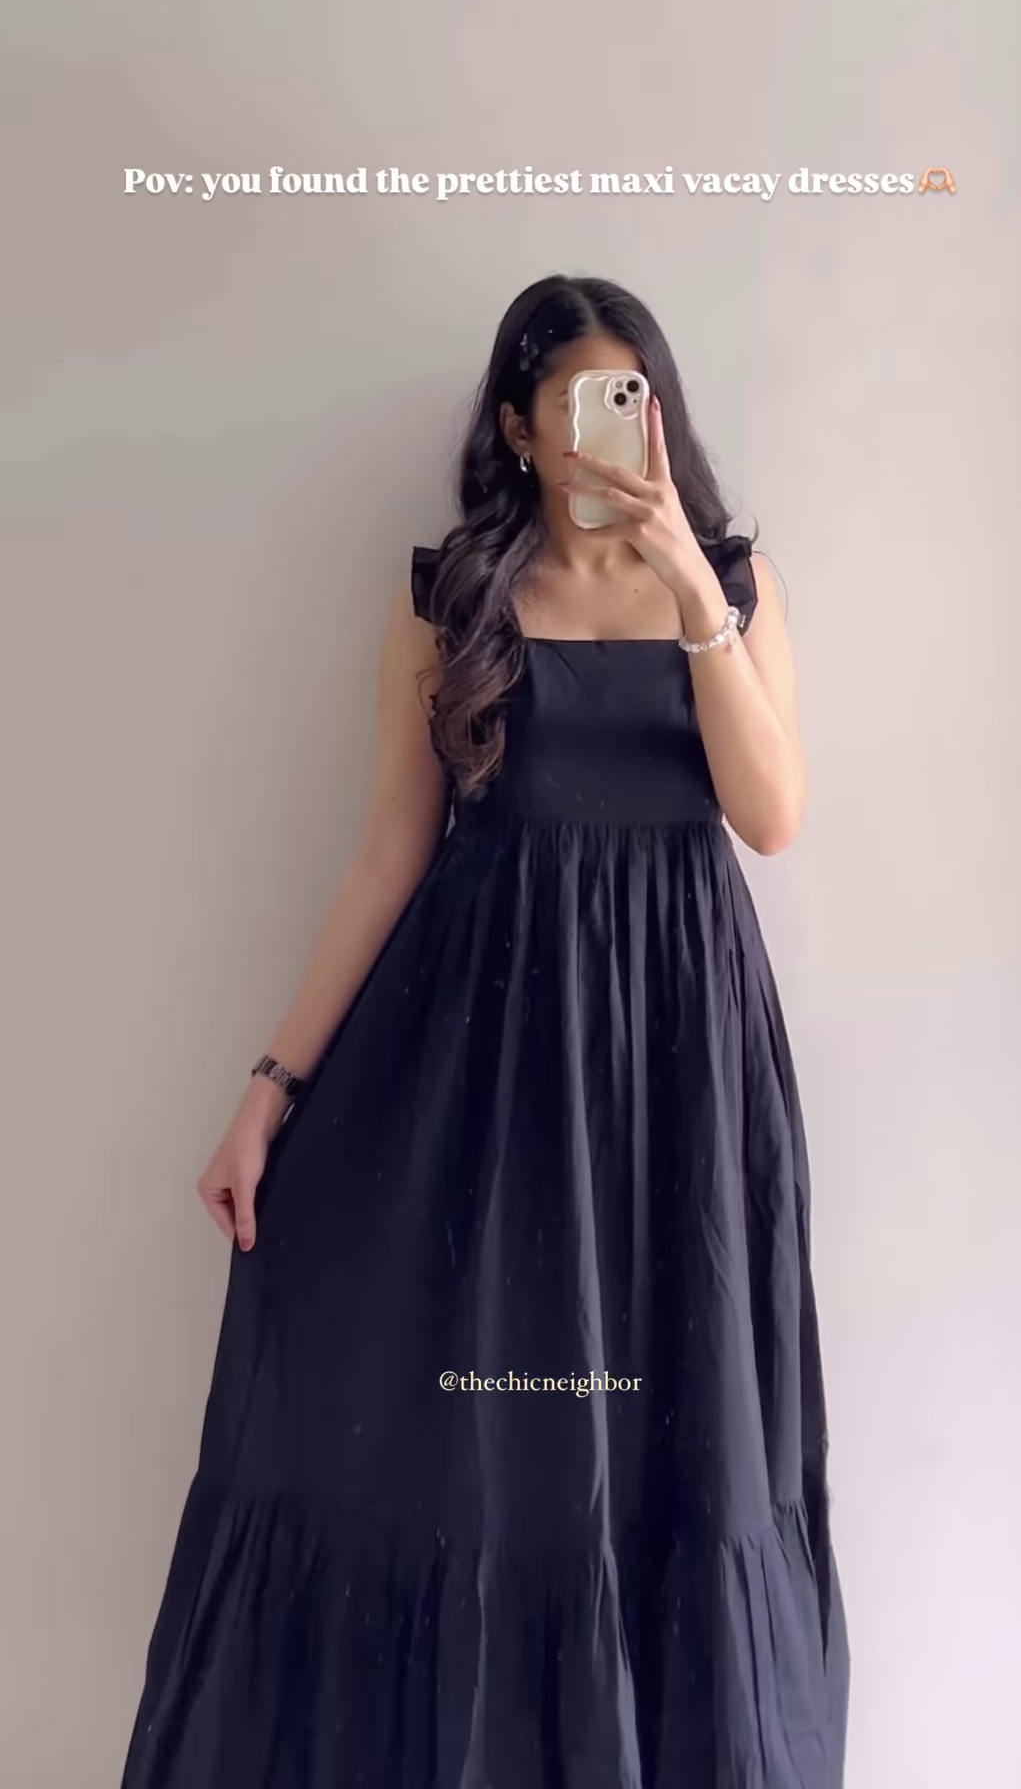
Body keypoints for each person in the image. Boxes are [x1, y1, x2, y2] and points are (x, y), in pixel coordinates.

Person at [120, 273, 849, 1789]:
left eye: (633, 396)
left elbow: (772, 817)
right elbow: (389, 853)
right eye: (577, 401)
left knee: (677, 1452)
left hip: (682, 1073)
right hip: (488, 1071)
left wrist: (692, 592)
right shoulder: (449, 598)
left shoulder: (733, 582)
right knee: (499, 1455)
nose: (610, 429)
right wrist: (271, 1089)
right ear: (519, 427)